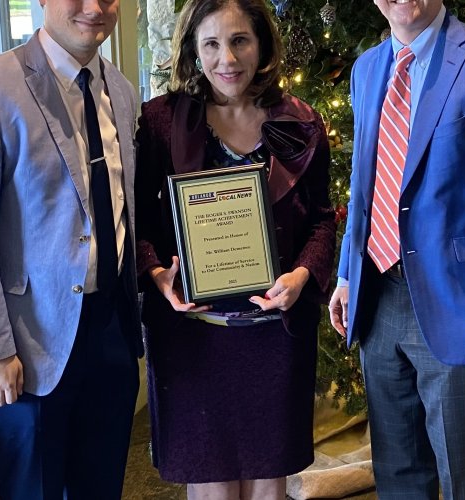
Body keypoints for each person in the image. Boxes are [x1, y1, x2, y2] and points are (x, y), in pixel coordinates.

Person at [329, 1, 465, 499]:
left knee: (461, 474)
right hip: (378, 296)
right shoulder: (367, 68)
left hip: (459, 305)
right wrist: (346, 275)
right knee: (397, 469)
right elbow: (364, 186)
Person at [0, 0, 143, 497]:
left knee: (102, 487)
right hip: (27, 346)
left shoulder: (121, 90)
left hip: (112, 333)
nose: (96, 8)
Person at [134, 0, 336, 498]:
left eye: (240, 40)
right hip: (196, 342)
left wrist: (302, 276)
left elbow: (323, 221)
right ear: (193, 51)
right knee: (213, 490)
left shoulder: (301, 123)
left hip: (274, 340)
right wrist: (157, 272)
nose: (228, 58)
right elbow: (137, 224)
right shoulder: (162, 122)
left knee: (269, 488)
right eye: (212, 44)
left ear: (261, 44)